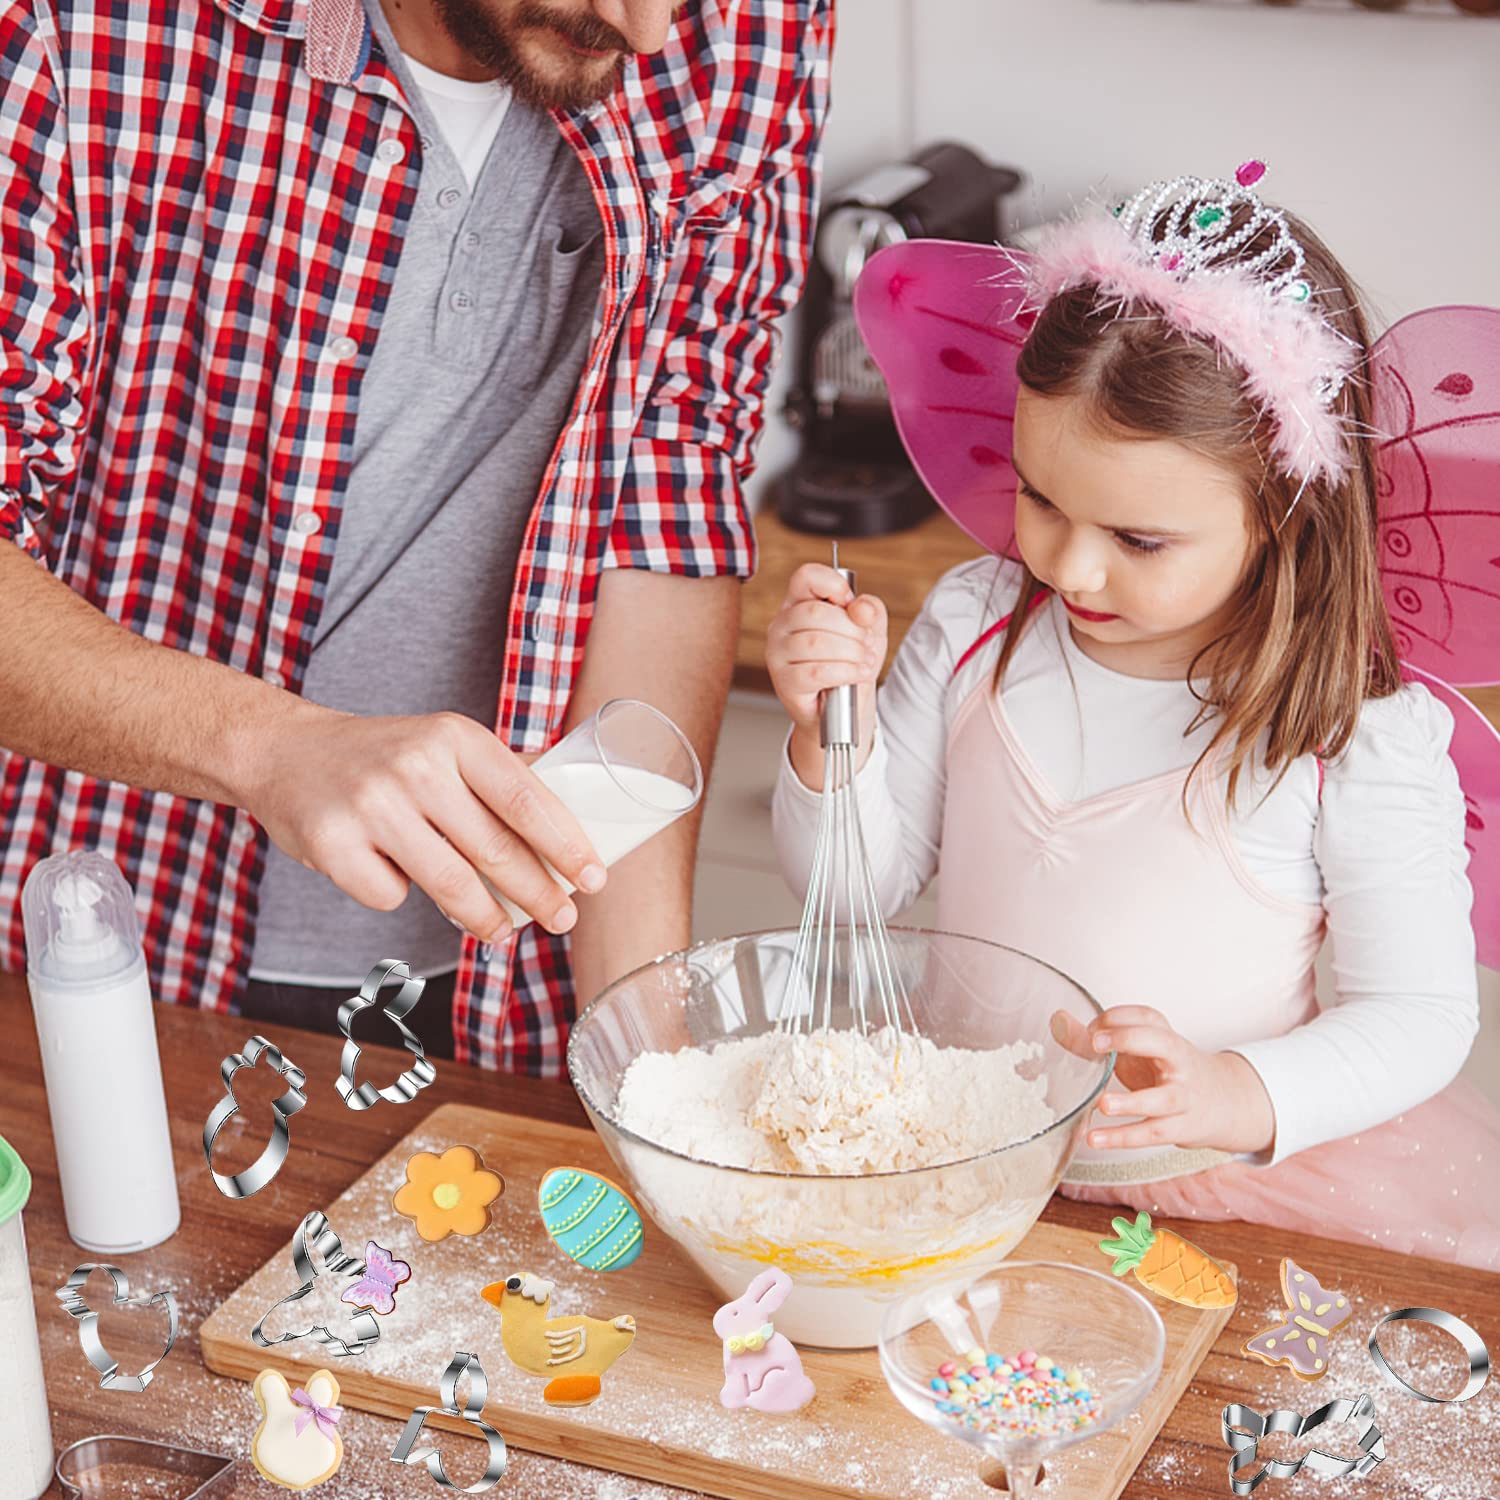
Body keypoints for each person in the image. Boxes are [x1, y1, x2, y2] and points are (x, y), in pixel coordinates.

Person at [0, 0, 832, 1073]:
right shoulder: (78, 27)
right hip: (89, 945)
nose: (653, 32)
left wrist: (647, 1059)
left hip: (496, 994)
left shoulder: (758, 23)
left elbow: (666, 486)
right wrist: (272, 749)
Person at [766, 166, 1500, 1269]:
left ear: (1286, 513)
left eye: (1141, 540)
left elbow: (1421, 1015)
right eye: (1039, 496)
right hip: (955, 1147)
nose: (1066, 561)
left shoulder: (1349, 729)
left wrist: (1238, 1092)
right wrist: (831, 729)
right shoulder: (976, 620)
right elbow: (855, 886)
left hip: (1214, 1193)